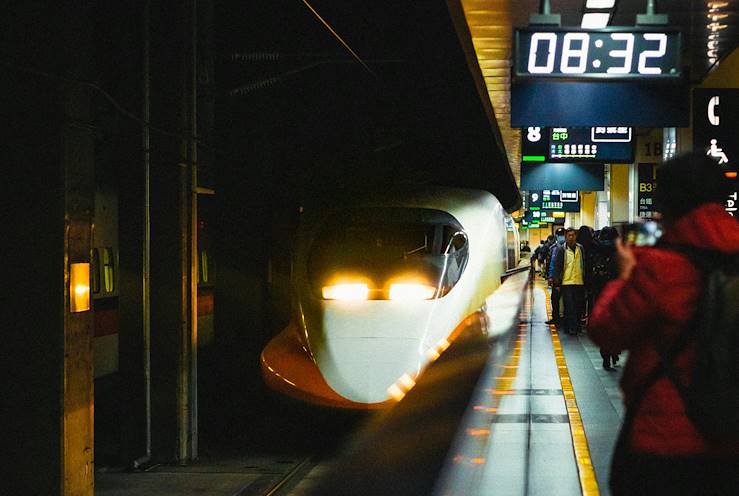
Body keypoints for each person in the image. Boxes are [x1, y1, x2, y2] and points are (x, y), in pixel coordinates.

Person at [589, 151, 739, 495]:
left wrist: (625, 277)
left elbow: (606, 331)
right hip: (731, 438)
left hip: (665, 441)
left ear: (668, 202)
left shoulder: (661, 267)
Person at [588, 226, 620, 369]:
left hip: (600, 292)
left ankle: (606, 354)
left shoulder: (596, 250)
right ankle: (614, 351)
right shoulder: (620, 250)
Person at [551, 227, 585, 335]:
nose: (571, 237)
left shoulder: (581, 248)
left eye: (573, 235)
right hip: (567, 282)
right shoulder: (562, 249)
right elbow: (557, 266)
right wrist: (556, 282)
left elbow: (584, 264)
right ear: (566, 236)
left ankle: (570, 326)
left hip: (579, 281)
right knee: (569, 305)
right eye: (569, 235)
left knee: (578, 305)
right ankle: (573, 327)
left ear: (576, 236)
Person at [546, 229, 566, 324]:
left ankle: (558, 318)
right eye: (559, 235)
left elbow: (552, 264)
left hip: (564, 278)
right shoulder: (555, 248)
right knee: (556, 299)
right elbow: (552, 264)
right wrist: (551, 277)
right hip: (559, 278)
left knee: (557, 299)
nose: (561, 236)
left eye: (562, 234)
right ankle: (557, 318)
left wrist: (551, 276)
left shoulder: (558, 247)